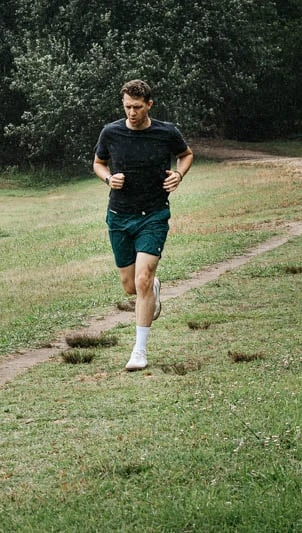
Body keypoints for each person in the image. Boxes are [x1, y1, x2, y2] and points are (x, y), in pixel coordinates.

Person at [93, 79, 193, 371]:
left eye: (137, 107)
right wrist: (109, 179)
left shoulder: (167, 132)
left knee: (142, 279)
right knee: (129, 286)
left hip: (154, 214)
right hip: (120, 215)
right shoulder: (111, 132)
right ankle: (153, 290)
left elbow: (186, 155)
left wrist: (179, 174)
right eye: (127, 107)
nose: (132, 112)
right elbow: (98, 163)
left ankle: (139, 351)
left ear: (149, 104)